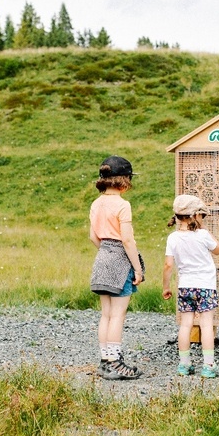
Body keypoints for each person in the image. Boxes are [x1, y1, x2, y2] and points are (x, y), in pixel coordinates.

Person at [89, 155, 144, 380]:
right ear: (124, 180)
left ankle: (105, 361)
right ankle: (115, 362)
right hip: (120, 260)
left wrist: (106, 251)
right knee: (118, 315)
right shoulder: (123, 205)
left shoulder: (96, 203)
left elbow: (93, 237)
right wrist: (137, 268)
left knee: (106, 314)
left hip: (102, 258)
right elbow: (128, 240)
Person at [162, 194, 219, 378]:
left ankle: (184, 364)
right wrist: (204, 228)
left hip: (185, 287)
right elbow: (218, 250)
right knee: (206, 325)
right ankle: (208, 365)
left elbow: (168, 265)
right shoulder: (203, 234)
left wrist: (166, 287)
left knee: (185, 325)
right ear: (196, 215)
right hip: (206, 286)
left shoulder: (173, 238)